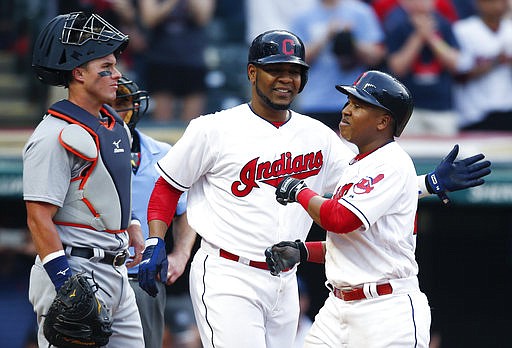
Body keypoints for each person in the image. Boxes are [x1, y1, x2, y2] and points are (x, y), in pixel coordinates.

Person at [138, 30, 491, 348]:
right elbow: (168, 186)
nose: (286, 79)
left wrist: (427, 184)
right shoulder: (213, 129)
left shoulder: (320, 136)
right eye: (276, 69)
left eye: (294, 71)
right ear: (251, 73)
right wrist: (157, 239)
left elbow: (361, 197)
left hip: (286, 279)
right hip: (228, 269)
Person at [266, 70, 436, 347]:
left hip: (385, 312)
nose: (346, 111)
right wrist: (304, 251)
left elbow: (340, 219)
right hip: (337, 308)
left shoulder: (391, 162)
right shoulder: (356, 165)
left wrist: (299, 190)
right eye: (348, 103)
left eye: (358, 106)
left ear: (383, 121)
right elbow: (356, 243)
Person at [24, 12, 145, 347]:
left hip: (118, 271)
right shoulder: (53, 135)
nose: (117, 74)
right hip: (76, 267)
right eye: (105, 67)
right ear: (78, 73)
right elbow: (38, 217)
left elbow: (112, 188)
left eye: (114, 65)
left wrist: (131, 223)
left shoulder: (113, 122)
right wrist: (67, 284)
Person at [111, 75, 197, 347]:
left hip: (143, 278)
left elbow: (186, 210)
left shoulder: (162, 152)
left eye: (123, 102)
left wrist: (180, 255)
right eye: (111, 102)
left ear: (136, 106)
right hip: (91, 270)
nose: (117, 109)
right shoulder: (81, 148)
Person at [291, 0, 386, 130]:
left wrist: (350, 41)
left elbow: (377, 56)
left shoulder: (360, 12)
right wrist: (327, 36)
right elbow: (295, 59)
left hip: (353, 101)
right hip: (315, 101)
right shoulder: (303, 15)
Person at [383, 0, 461, 136]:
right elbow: (397, 68)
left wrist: (430, 37)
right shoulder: (398, 26)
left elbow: (453, 62)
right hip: (407, 109)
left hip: (441, 107)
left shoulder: (444, 25)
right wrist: (418, 36)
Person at [140, 0, 216, 124]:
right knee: (162, 124)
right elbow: (149, 19)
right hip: (161, 58)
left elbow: (203, 18)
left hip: (193, 59)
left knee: (193, 124)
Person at [452, 0, 512, 131]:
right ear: (479, 4)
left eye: (501, 2)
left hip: (507, 107)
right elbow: (460, 74)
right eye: (491, 2)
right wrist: (496, 61)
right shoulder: (463, 30)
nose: (497, 6)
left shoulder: (509, 29)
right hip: (475, 112)